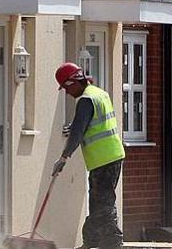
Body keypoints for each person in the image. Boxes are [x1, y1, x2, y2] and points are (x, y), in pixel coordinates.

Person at [53, 62, 126, 249]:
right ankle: (91, 242)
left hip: (103, 159)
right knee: (98, 202)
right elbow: (92, 125)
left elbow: (78, 132)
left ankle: (113, 244)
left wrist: (63, 158)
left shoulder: (86, 100)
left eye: (66, 88)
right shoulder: (99, 93)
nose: (67, 93)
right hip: (111, 156)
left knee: (103, 204)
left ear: (73, 82)